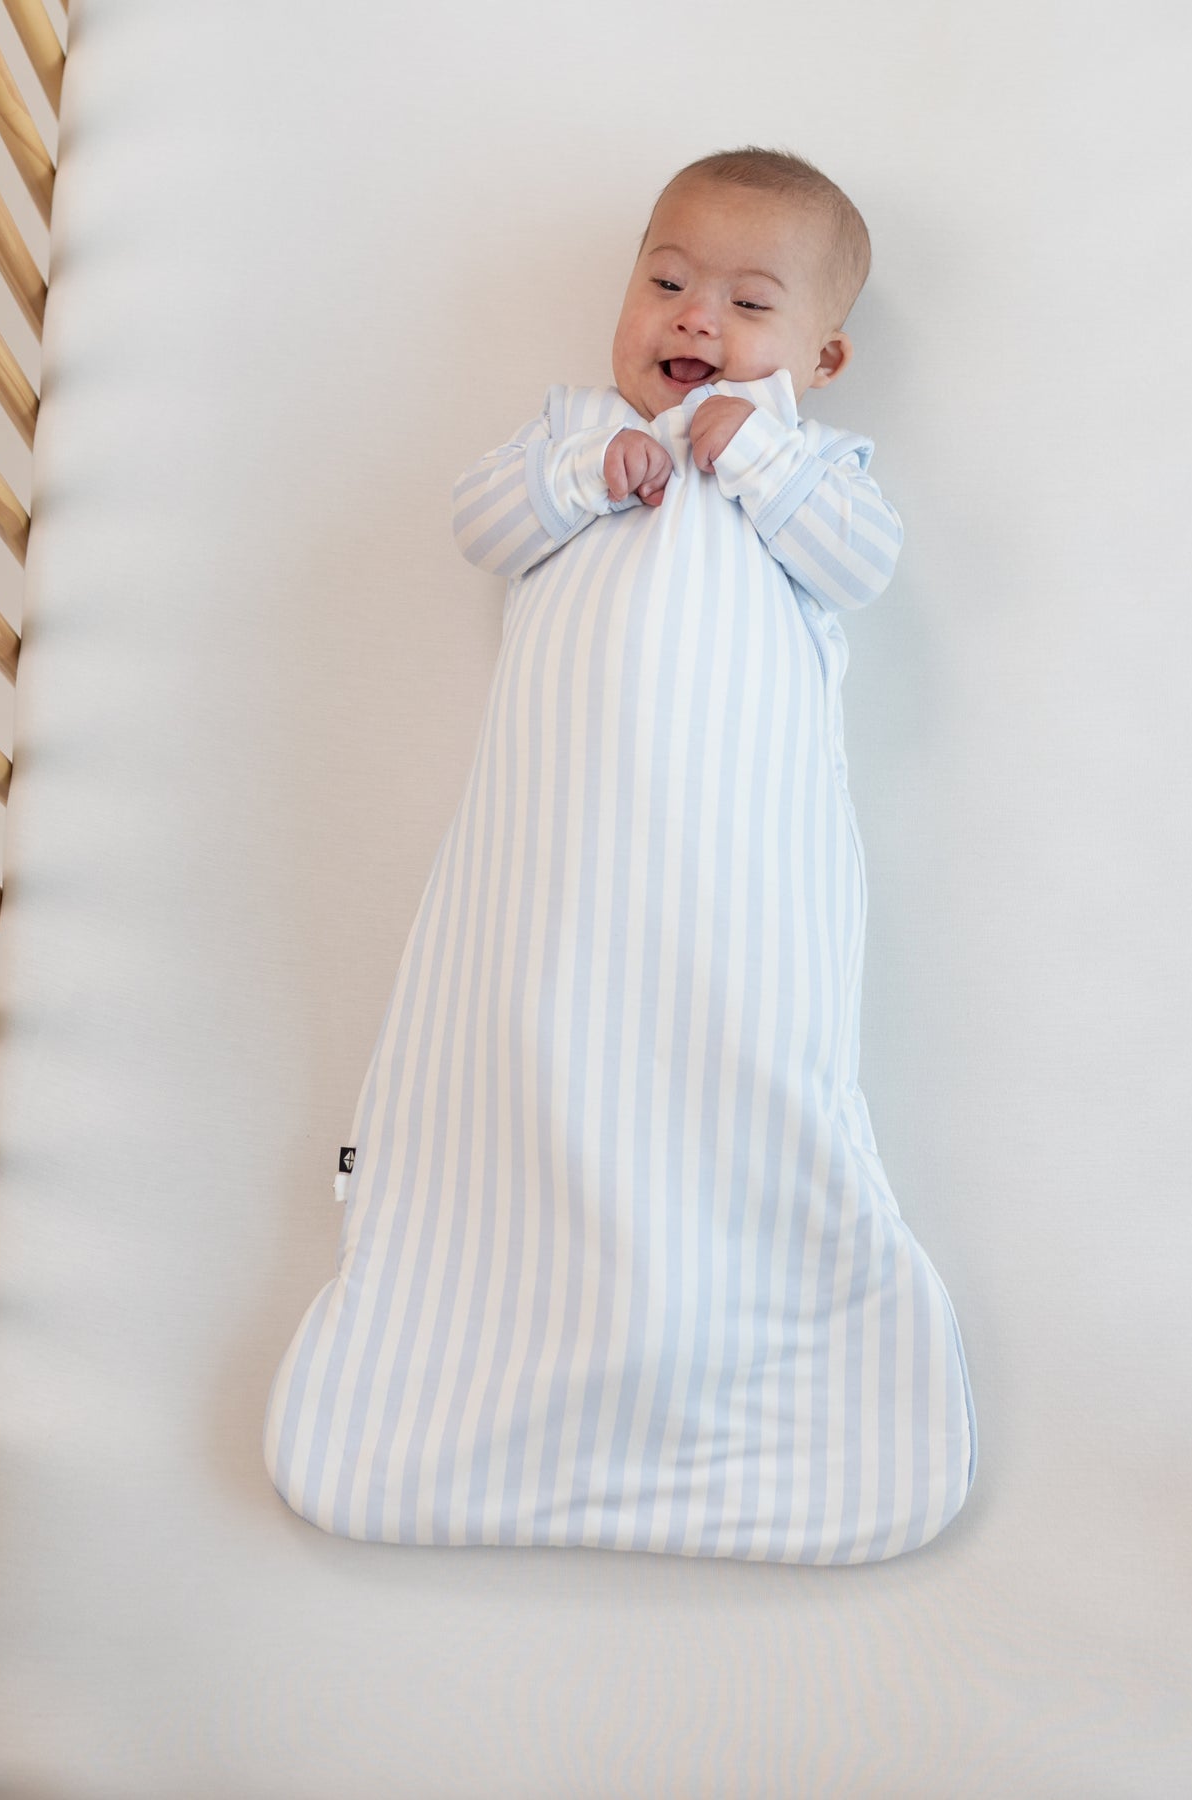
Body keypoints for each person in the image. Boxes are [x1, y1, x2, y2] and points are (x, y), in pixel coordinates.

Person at [265, 147, 977, 1565]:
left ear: (819, 358)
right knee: (525, 1049)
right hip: (554, 869)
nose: (694, 322)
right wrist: (591, 471)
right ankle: (474, 1351)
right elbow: (479, 525)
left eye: (746, 304)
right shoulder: (573, 437)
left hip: (737, 879)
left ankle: (750, 1377)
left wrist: (759, 457)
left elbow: (864, 561)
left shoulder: (814, 469)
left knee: (753, 1065)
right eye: (665, 283)